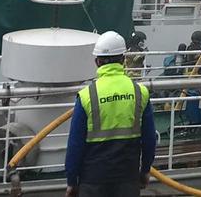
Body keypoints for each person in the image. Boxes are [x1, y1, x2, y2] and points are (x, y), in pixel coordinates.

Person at [65, 31, 156, 197]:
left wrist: (72, 181)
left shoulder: (87, 95)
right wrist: (145, 171)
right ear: (123, 59)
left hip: (92, 181)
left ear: (96, 61)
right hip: (128, 178)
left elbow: (75, 144)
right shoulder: (139, 92)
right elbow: (149, 139)